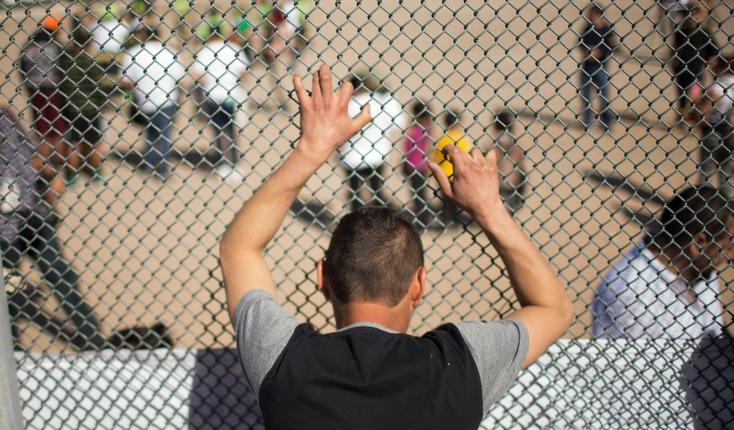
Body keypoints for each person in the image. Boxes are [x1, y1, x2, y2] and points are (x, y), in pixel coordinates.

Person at [219, 65, 573, 429]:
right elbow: (554, 309)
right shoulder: (461, 365)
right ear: (419, 284)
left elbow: (239, 247)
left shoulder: (283, 361)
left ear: (322, 278)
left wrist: (311, 150)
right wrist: (490, 210)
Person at [0, 70, 104, 350]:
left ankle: (95, 339)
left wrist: (53, 175)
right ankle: (11, 352)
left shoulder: (8, 121)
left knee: (62, 276)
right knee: (5, 290)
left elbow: (35, 156)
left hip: (34, 216)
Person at [592, 186, 731, 339]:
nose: (731, 256)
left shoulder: (701, 265)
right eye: (729, 246)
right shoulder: (632, 294)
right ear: (698, 243)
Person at [120, 27, 185, 179]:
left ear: (143, 35)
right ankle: (162, 170)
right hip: (167, 99)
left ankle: (148, 164)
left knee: (150, 133)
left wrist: (139, 85)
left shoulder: (133, 53)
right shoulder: (169, 52)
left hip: (144, 100)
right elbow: (180, 77)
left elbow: (125, 80)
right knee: (165, 135)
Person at [191, 27, 250, 183]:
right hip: (231, 94)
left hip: (212, 95)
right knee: (232, 130)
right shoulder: (233, 48)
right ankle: (235, 164)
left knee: (218, 130)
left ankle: (222, 164)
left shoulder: (205, 51)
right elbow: (243, 72)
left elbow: (198, 75)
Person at [19, 16, 68, 201]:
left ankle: (45, 161)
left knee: (41, 125)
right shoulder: (56, 46)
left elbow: (22, 67)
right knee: (56, 124)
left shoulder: (29, 45)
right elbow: (63, 67)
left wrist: (28, 84)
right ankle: (56, 162)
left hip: (35, 88)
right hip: (52, 87)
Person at [340, 73, 405, 211]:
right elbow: (400, 123)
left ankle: (355, 224)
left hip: (351, 156)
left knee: (354, 193)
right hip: (377, 155)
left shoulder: (345, 105)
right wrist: (389, 97)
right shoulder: (380, 102)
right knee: (377, 190)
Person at [59, 19, 113, 184]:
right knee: (94, 143)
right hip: (90, 109)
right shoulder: (89, 63)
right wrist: (104, 102)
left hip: (71, 108)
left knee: (73, 143)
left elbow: (61, 86)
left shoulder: (65, 61)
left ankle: (72, 175)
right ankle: (96, 172)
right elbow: (98, 87)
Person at [671, 5, 719, 120]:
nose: (693, 18)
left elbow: (714, 51)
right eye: (691, 15)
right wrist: (673, 61)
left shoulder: (705, 33)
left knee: (695, 97)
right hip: (681, 70)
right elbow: (674, 49)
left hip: (697, 72)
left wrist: (710, 62)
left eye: (697, 16)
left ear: (702, 18)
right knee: (681, 96)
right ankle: (681, 116)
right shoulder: (681, 32)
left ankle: (693, 117)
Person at [577, 3, 617, 131]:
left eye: (592, 15)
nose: (590, 17)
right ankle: (587, 123)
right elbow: (579, 42)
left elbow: (614, 46)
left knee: (604, 97)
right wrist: (588, 50)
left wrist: (599, 51)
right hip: (587, 66)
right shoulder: (587, 27)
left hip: (600, 67)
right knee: (586, 97)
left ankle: (606, 124)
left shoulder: (606, 29)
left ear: (598, 15)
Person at [698, 54, 733, 198]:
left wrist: (698, 114)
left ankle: (701, 202)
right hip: (730, 132)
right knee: (725, 171)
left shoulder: (721, 84)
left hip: (715, 129)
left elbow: (705, 109)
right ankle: (725, 206)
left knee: (706, 170)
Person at [431, 110, 473, 223]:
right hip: (458, 173)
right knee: (458, 199)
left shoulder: (441, 139)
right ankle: (457, 218)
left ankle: (447, 218)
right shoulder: (462, 139)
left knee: (445, 199)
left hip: (443, 174)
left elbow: (435, 157)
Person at [402, 100, 435, 224]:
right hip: (422, 164)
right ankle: (423, 217)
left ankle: (422, 219)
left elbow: (407, 148)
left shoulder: (414, 131)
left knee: (417, 194)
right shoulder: (427, 129)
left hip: (412, 164)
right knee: (421, 192)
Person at [490, 109, 527, 213]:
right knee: (509, 210)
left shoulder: (493, 142)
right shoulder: (514, 142)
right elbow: (521, 163)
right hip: (512, 181)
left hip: (498, 181)